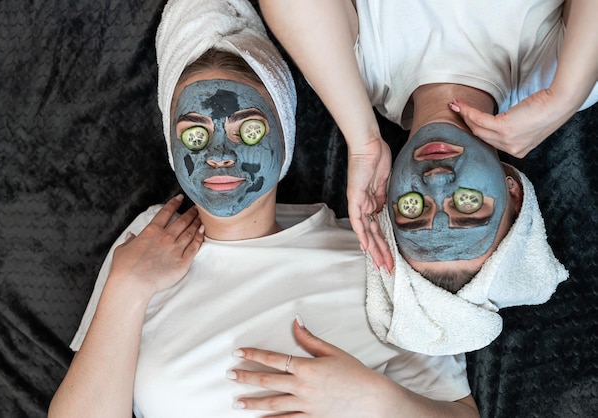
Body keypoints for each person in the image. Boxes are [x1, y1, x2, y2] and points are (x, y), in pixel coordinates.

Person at [48, 0, 478, 417]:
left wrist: (373, 402)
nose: (219, 155)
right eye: (195, 135)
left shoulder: (375, 251)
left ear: (286, 136)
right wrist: (126, 288)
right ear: (171, 146)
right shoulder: (146, 244)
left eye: (248, 130)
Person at [258, 0, 598, 272]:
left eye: (413, 209)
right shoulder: (559, 81)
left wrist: (363, 141)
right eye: (468, 205)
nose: (436, 182)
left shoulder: (358, 75)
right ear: (514, 194)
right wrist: (565, 96)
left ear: (387, 200)